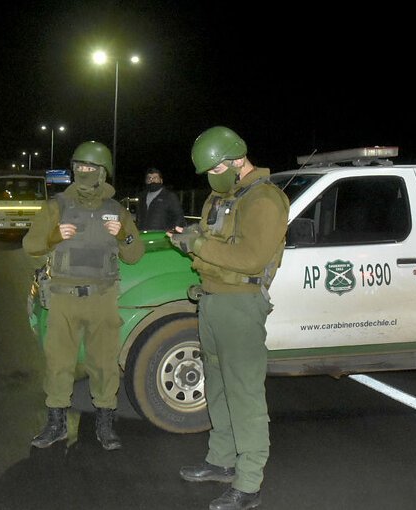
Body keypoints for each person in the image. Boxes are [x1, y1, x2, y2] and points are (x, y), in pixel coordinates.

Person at [168, 126, 289, 510]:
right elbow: (215, 245)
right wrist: (190, 239)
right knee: (217, 385)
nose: (210, 176)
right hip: (213, 301)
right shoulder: (223, 198)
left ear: (236, 160)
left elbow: (251, 258)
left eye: (215, 167)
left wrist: (198, 244)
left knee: (245, 394)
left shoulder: (264, 199)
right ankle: (221, 461)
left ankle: (249, 483)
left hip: (240, 304)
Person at [22, 140, 145, 451]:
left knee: (103, 363)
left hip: (102, 296)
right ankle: (56, 422)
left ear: (103, 173)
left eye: (91, 168)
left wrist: (122, 234)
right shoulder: (56, 206)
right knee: (58, 363)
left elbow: (134, 254)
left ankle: (105, 421)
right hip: (63, 296)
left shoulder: (116, 210)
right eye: (79, 167)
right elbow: (30, 245)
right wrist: (53, 236)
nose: (84, 172)